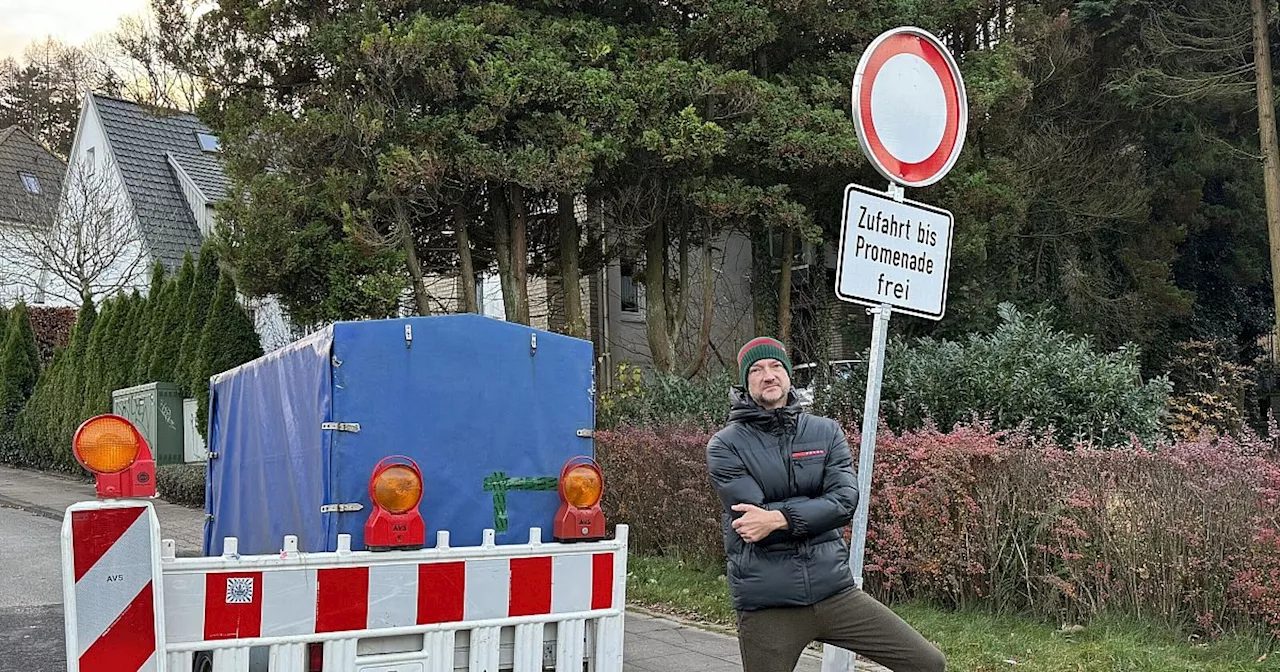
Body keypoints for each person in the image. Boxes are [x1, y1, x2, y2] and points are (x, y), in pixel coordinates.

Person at [706, 336, 945, 672]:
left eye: (776, 366)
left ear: (789, 375)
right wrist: (813, 509)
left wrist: (779, 516)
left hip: (834, 592)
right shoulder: (725, 445)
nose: (768, 375)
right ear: (746, 383)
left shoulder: (825, 432)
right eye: (757, 370)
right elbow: (752, 524)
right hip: (770, 603)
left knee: (927, 662)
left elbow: (845, 502)